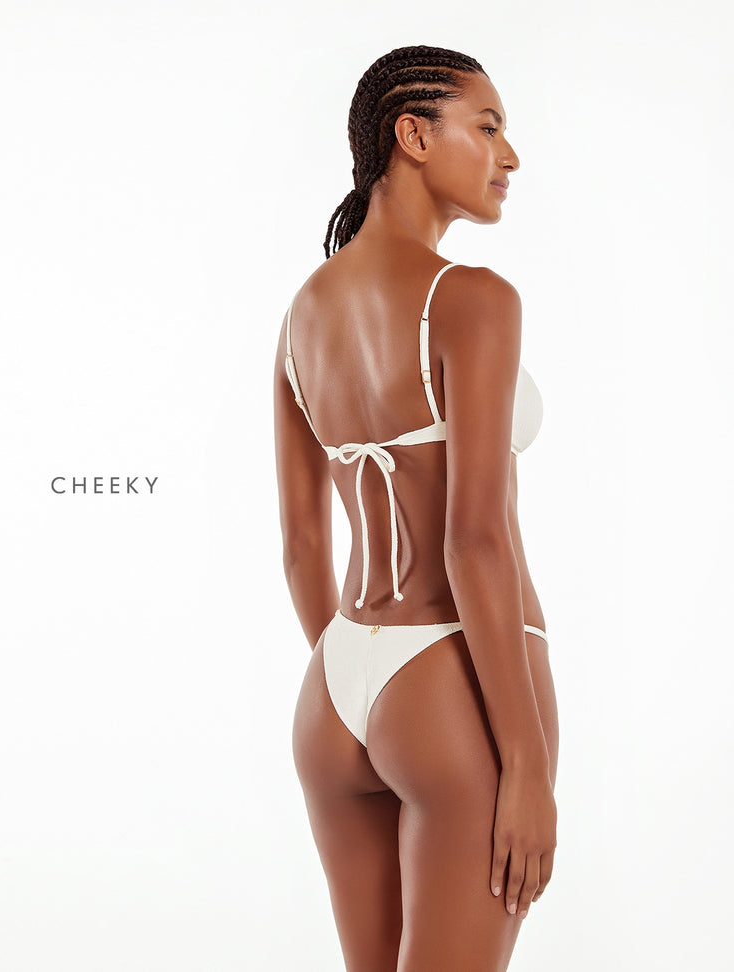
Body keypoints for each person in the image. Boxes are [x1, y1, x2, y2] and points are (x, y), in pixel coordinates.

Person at [273, 44, 559, 972]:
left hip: (333, 693)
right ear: (413, 135)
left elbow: (301, 543)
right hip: (453, 677)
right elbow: (474, 541)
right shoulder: (471, 299)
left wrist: (359, 680)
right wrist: (526, 769)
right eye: (488, 126)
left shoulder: (301, 316)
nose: (509, 156)